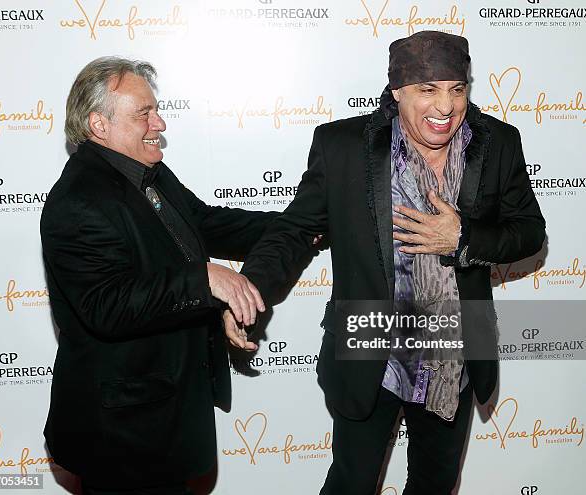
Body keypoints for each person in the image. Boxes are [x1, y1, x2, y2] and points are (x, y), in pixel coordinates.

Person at [229, 31, 546, 494]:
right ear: (396, 91)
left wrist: (462, 238)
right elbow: (293, 230)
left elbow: (529, 232)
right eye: (427, 90)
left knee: (435, 485)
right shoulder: (342, 147)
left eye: (457, 89)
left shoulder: (497, 143)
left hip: (451, 355)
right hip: (370, 353)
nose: (445, 107)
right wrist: (247, 290)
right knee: (351, 484)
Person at [40, 56, 272, 495]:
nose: (159, 122)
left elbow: (206, 223)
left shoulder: (148, 175)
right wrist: (203, 280)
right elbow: (108, 307)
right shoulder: (79, 201)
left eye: (155, 110)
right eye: (143, 113)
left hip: (166, 415)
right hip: (123, 432)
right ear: (98, 125)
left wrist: (303, 226)